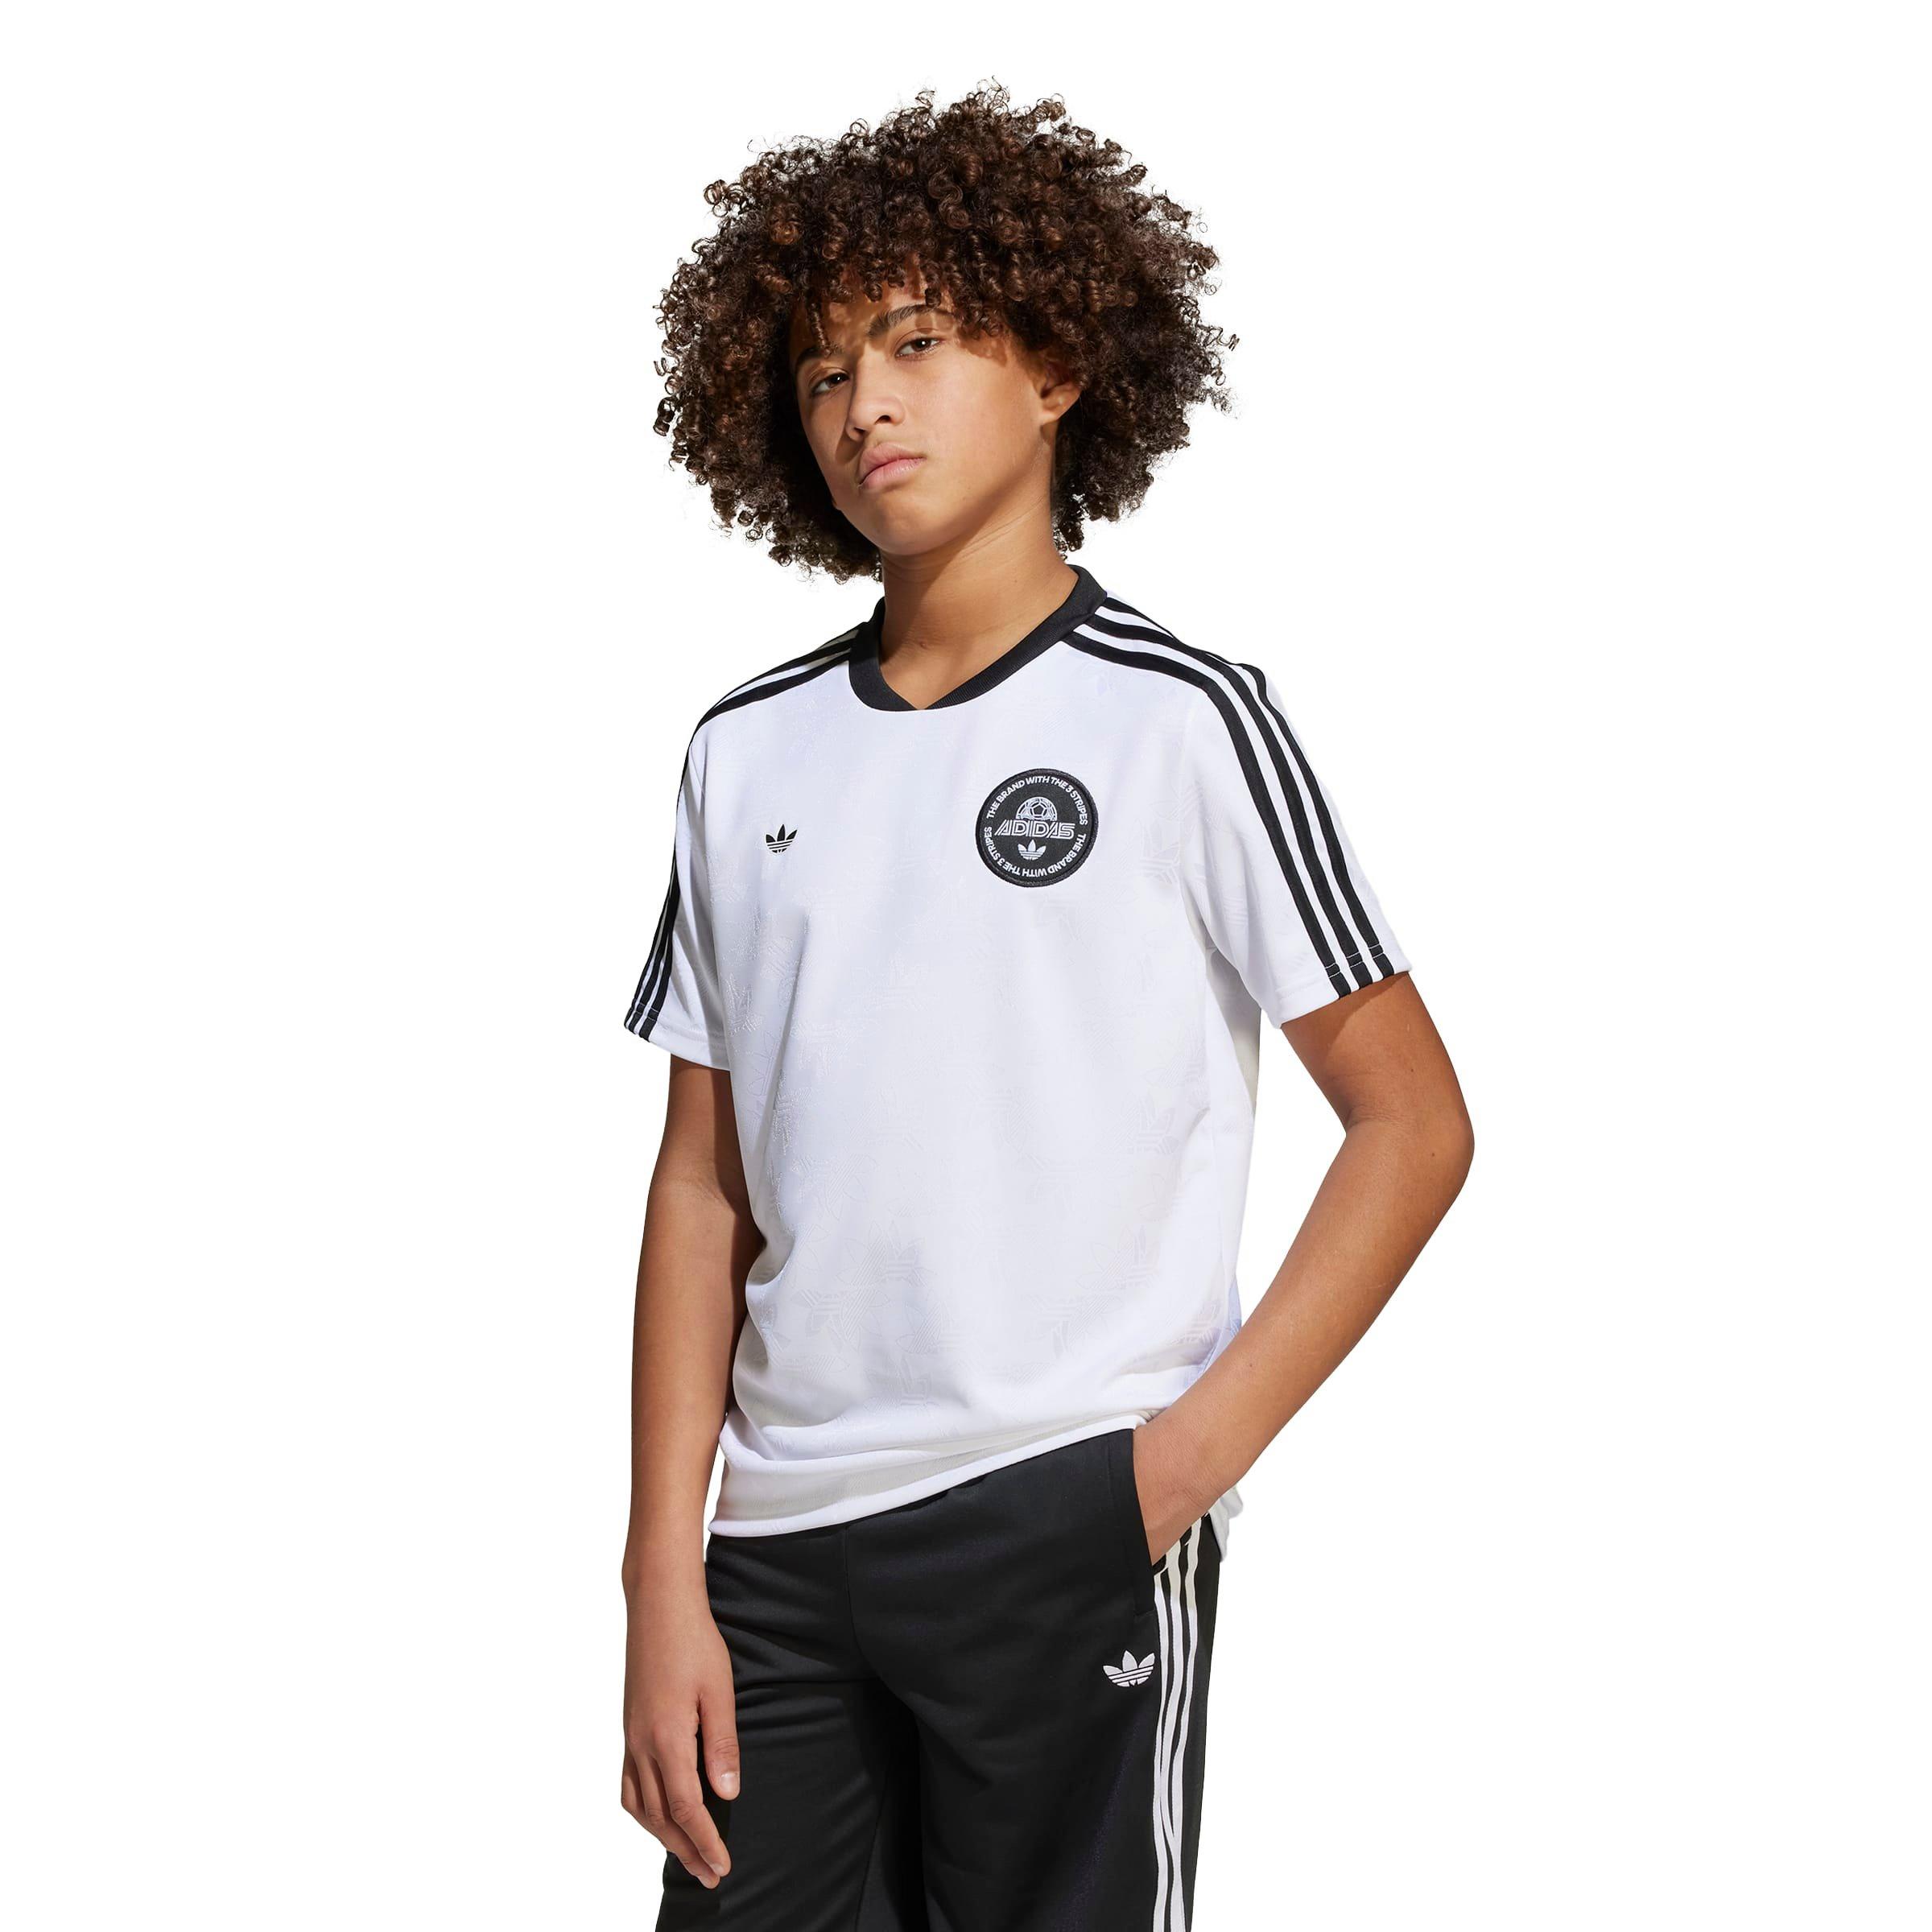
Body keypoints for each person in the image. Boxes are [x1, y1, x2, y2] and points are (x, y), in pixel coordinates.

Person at [618, 84, 1473, 1930]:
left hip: (1060, 1513)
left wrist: (1172, 1474)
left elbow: (1413, 1123)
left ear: (1062, 362)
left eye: (919, 341)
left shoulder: (1183, 721)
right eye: (827, 367)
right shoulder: (742, 751)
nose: (866, 403)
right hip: (774, 1558)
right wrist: (659, 1575)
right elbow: (702, 1184)